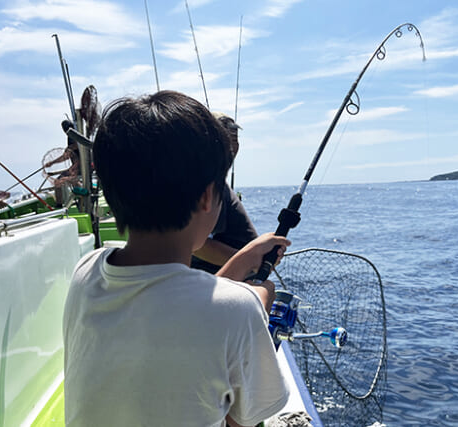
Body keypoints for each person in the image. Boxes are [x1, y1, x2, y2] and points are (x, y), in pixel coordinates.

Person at [63, 91, 291, 427]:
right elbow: (243, 418)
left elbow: (171, 305)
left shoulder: (86, 272)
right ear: (206, 197)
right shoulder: (239, 311)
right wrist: (260, 298)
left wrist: (243, 261)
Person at [191, 112, 258, 274]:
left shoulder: (216, 179)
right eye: (228, 139)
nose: (233, 147)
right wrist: (252, 262)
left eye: (236, 139)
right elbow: (198, 246)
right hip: (216, 278)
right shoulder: (207, 182)